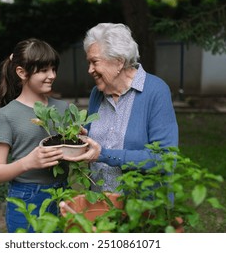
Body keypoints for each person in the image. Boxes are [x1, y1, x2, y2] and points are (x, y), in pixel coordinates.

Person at [63, 23, 179, 193]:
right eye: (88, 63)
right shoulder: (97, 93)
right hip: (100, 204)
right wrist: (82, 137)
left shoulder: (155, 91)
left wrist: (104, 155)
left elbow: (165, 159)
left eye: (94, 62)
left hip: (139, 207)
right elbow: (94, 141)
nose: (89, 70)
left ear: (119, 62)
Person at [0, 38, 69, 233]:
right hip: (27, 197)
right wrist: (28, 162)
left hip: (63, 195)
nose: (51, 75)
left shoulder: (63, 108)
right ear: (21, 72)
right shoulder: (7, 115)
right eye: (43, 70)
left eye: (53, 69)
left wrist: (78, 141)